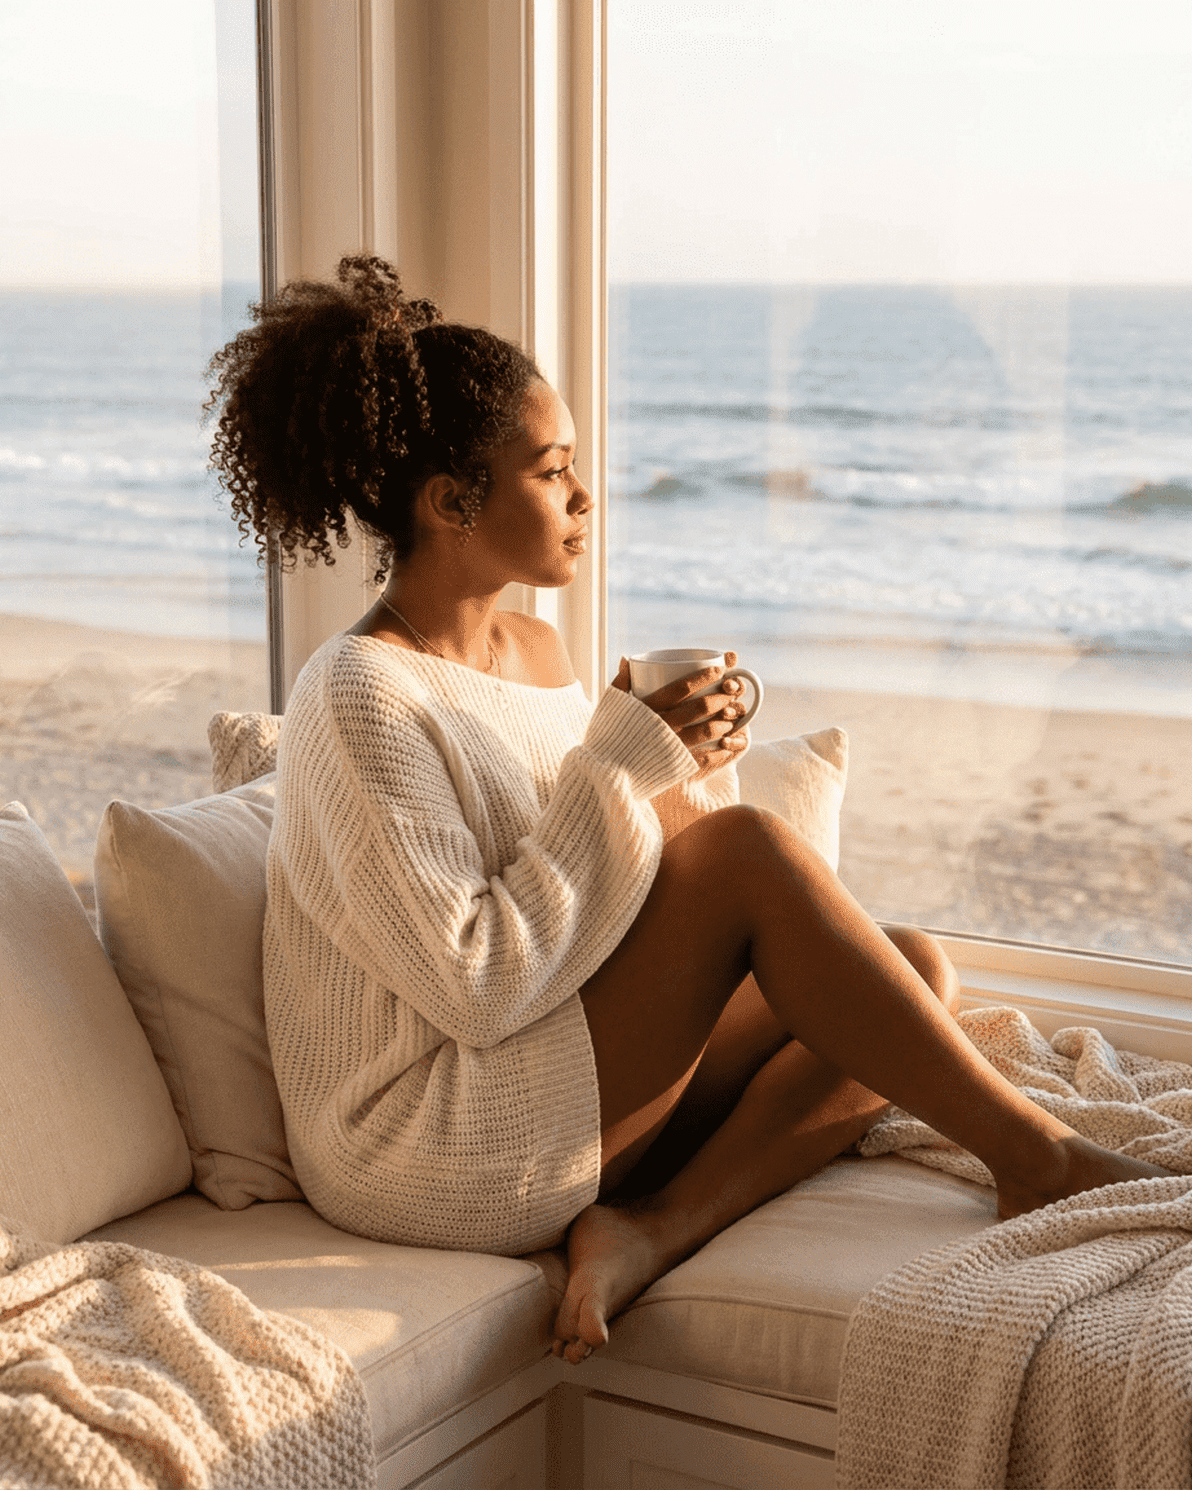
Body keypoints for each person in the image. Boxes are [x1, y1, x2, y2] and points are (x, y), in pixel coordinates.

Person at [207, 254, 1166, 1366]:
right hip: (424, 1141)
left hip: (532, 1054)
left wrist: (679, 772)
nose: (583, 495)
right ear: (451, 501)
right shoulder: (359, 692)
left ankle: (650, 1226)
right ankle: (1037, 1158)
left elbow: (600, 891)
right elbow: (477, 981)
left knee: (910, 972)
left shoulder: (533, 649)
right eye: (552, 470)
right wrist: (623, 766)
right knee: (755, 856)